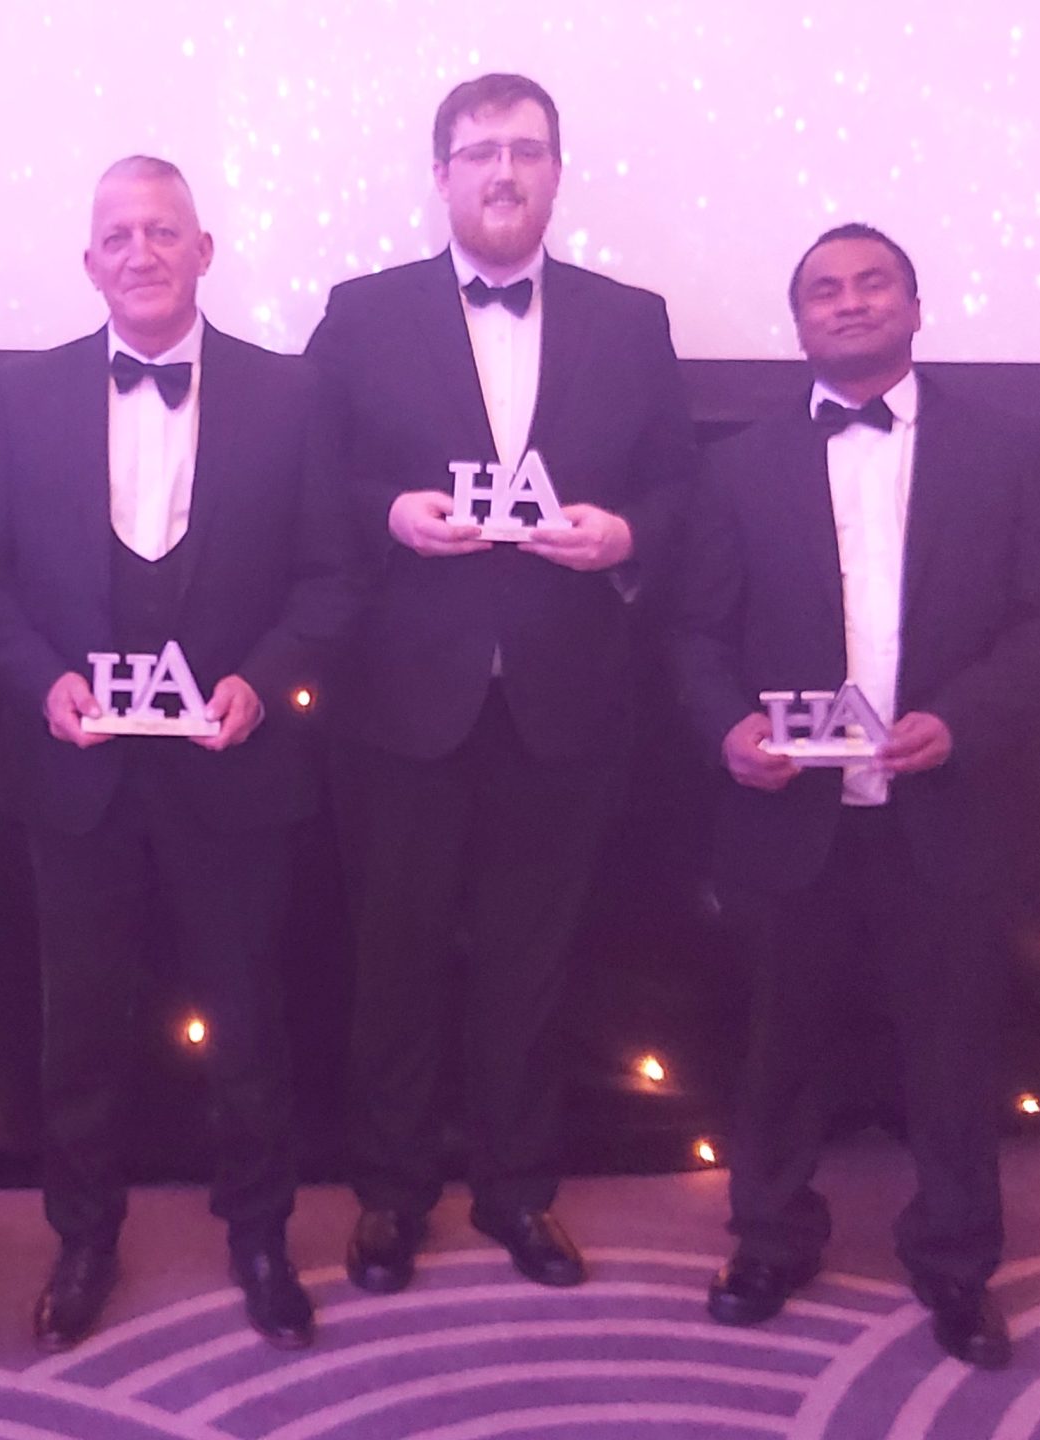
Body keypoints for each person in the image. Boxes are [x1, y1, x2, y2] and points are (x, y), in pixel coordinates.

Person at [669, 224, 1040, 1368]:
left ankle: (955, 1265)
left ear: (914, 304)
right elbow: (696, 635)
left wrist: (962, 722)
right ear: (798, 322)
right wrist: (727, 728)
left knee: (951, 1052)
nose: (848, 304)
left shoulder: (1011, 452)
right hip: (784, 815)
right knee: (774, 1045)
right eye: (822, 291)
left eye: (871, 285)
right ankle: (768, 1239)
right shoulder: (736, 465)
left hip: (945, 807)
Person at [303, 73, 698, 1295]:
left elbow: (682, 488)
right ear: (441, 175)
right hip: (399, 698)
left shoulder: (631, 320)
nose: (503, 172)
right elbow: (307, 479)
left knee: (534, 962)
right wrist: (387, 513)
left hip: (563, 692)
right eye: (478, 152)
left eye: (525, 150)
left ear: (556, 171)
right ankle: (389, 1195)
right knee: (396, 954)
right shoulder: (360, 315)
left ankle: (518, 1193)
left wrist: (625, 537)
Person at [0, 156, 360, 1352]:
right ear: (89, 263)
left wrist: (259, 685)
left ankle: (258, 1237)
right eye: (116, 235)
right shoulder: (21, 403)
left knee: (247, 1018)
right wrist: (45, 686)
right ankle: (83, 1239)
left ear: (204, 250)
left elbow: (332, 578)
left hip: (235, 769)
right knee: (78, 1027)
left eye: (161, 231)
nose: (137, 251)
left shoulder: (293, 398)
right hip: (73, 774)